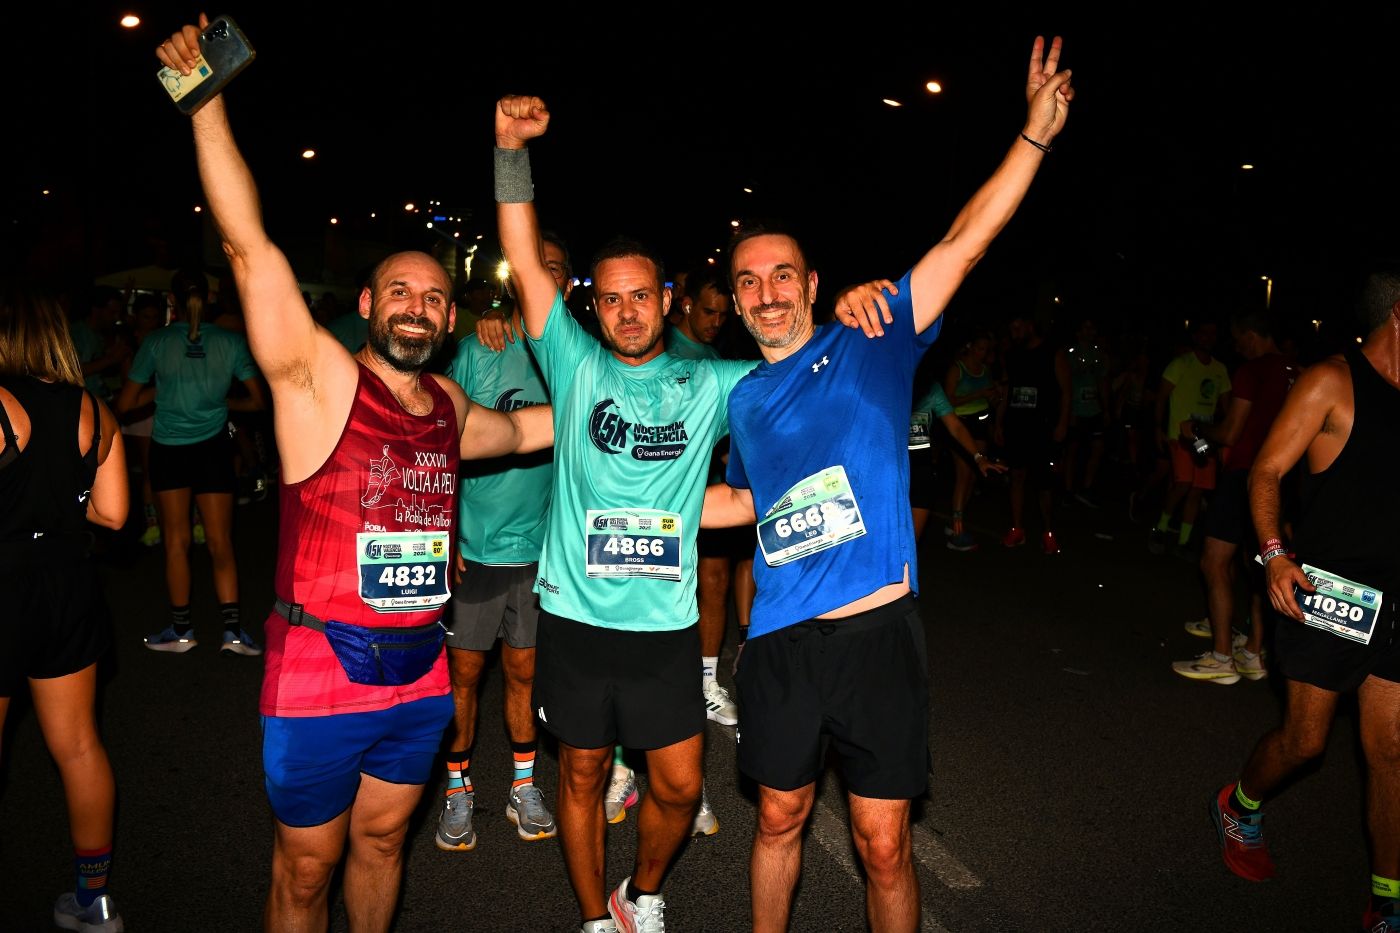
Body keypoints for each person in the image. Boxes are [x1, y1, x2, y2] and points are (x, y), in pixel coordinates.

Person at [157, 18, 554, 932]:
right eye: (401, 292)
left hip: (419, 673)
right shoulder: (318, 380)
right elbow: (250, 249)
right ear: (371, 305)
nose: (419, 307)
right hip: (318, 673)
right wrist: (205, 102)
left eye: (435, 297)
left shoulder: (450, 409)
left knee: (382, 848)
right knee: (304, 872)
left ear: (450, 319)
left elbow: (539, 426)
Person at [701, 36, 1072, 933]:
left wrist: (1032, 138)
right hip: (781, 640)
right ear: (738, 301)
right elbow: (748, 503)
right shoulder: (741, 399)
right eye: (748, 281)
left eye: (783, 273)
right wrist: (633, 506)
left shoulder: (873, 334)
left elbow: (965, 242)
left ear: (813, 282)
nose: (767, 291)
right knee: (779, 817)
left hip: (878, 634)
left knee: (882, 842)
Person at [494, 95, 762, 933]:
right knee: (578, 776)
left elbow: (797, 375)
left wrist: (865, 317)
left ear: (666, 296)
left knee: (680, 784)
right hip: (574, 618)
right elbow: (524, 260)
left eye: (641, 296)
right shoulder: (572, 365)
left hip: (664, 626)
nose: (628, 312)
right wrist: (510, 153)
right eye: (611, 301)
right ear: (593, 307)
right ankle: (593, 918)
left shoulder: (710, 380)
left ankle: (640, 892)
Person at [1212, 265, 1400, 932]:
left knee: (1390, 750)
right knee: (1306, 742)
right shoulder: (1332, 381)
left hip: (1398, 601)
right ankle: (1239, 803)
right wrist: (1272, 554)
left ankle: (1387, 899)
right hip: (1327, 594)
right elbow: (1265, 468)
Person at [434, 240, 575, 854]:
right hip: (477, 548)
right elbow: (438, 447)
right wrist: (441, 532)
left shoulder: (577, 361)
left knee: (524, 672)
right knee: (464, 673)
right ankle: (457, 788)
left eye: (553, 269)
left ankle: (523, 784)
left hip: (542, 552)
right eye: (530, 265)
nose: (539, 276)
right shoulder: (477, 348)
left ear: (566, 286)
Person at [0, 286, 129, 933]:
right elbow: (113, 513)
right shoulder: (94, 410)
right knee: (79, 747)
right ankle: (94, 901)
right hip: (69, 588)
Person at [116, 267, 266, 655]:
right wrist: (220, 401)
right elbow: (256, 401)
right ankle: (233, 632)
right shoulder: (231, 342)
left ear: (173, 302)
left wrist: (164, 391)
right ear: (210, 298)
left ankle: (182, 631)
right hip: (214, 449)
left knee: (177, 542)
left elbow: (126, 404)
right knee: (220, 542)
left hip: (170, 449)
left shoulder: (156, 341)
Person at [1171, 309, 1296, 685]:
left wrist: (1197, 428)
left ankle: (1222, 656)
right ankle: (1254, 652)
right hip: (1283, 479)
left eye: (1238, 338)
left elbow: (1230, 432)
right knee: (1261, 566)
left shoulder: (1251, 370)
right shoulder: (1298, 372)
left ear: (1250, 333)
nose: (1236, 346)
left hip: (1245, 477)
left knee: (1214, 563)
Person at [1151, 319, 1230, 556]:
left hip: (1205, 438)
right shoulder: (1181, 364)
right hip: (1181, 435)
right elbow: (1161, 398)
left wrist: (1225, 438)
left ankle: (1184, 541)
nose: (1207, 337)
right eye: (1203, 333)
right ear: (1195, 337)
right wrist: (1158, 428)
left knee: (1198, 490)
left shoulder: (1220, 370)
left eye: (1212, 333)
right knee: (1183, 484)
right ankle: (1161, 527)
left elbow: (1227, 408)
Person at [996, 310, 1071, 554]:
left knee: (1044, 484)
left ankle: (1048, 532)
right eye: (1011, 330)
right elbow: (1008, 390)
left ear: (1030, 326)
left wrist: (1062, 423)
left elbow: (1066, 391)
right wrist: (998, 423)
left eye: (1018, 328)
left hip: (1043, 427)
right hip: (1017, 425)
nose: (1014, 334)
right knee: (1016, 476)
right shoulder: (1012, 354)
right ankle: (1017, 529)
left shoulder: (1053, 352)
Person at [943, 332, 997, 550]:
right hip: (959, 425)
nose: (983, 353)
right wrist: (978, 394)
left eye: (986, 349)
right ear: (970, 347)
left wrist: (995, 397)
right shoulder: (957, 369)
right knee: (963, 476)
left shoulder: (986, 371)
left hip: (981, 424)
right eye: (980, 348)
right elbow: (948, 401)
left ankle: (956, 519)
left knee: (976, 475)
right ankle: (957, 533)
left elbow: (990, 397)